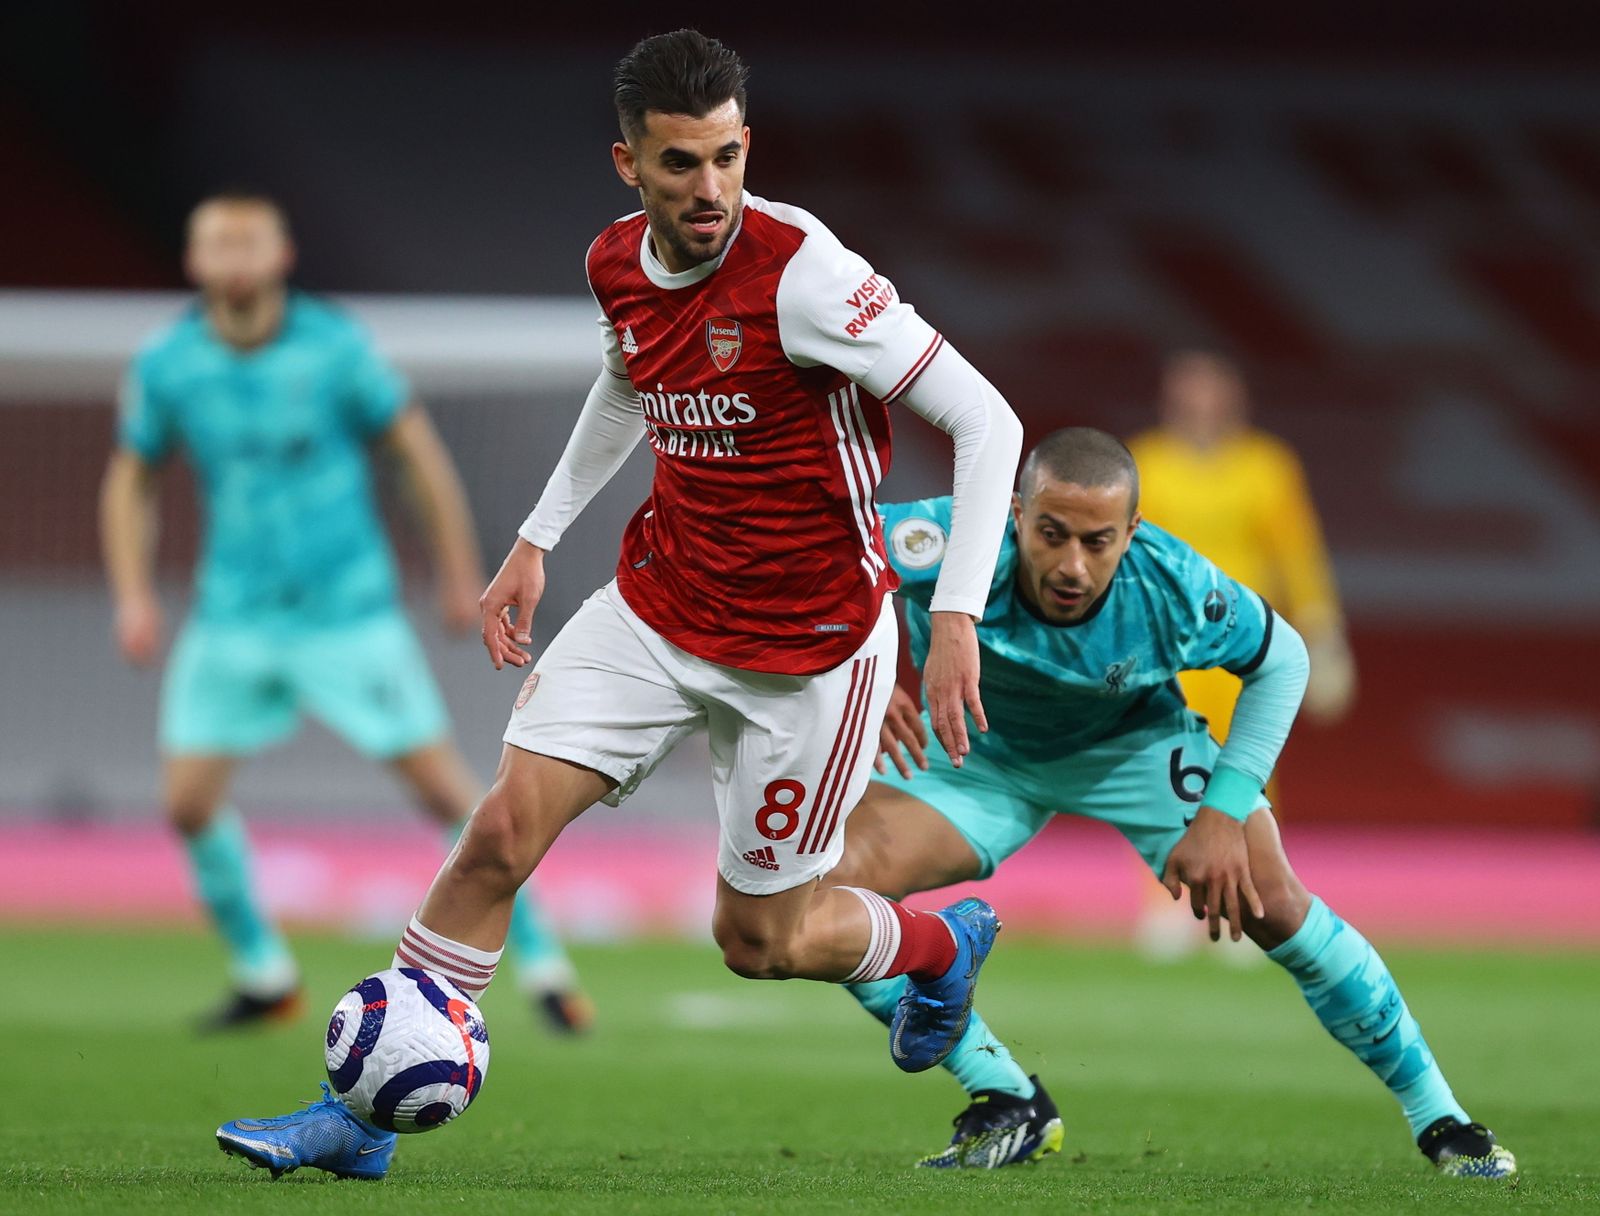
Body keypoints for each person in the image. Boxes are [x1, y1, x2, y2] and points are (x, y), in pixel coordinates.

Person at [214, 29, 1024, 1180]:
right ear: (627, 162)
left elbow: (987, 419)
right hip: (656, 606)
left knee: (762, 940)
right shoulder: (614, 263)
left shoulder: (805, 275)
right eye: (680, 162)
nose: (709, 188)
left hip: (805, 652)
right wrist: (535, 538)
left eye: (727, 158)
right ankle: (360, 1120)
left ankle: (939, 948)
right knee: (498, 833)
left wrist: (954, 617)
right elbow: (627, 380)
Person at [827, 427, 1514, 1179]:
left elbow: (1283, 659)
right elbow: (822, 559)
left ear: (1132, 534)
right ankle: (1006, 1097)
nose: (1072, 565)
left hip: (1132, 747)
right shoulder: (950, 537)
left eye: (1098, 542)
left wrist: (1223, 814)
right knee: (830, 893)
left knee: (1275, 903)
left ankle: (1443, 1119)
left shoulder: (1172, 585)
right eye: (1052, 534)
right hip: (976, 748)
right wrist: (859, 671)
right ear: (1015, 513)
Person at [100, 191, 592, 1034]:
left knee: (446, 791)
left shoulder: (335, 348)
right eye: (218, 242)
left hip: (348, 611)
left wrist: (456, 571)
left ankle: (545, 964)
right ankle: (264, 972)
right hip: (233, 616)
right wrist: (133, 593)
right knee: (185, 803)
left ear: (282, 256)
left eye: (250, 240)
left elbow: (415, 453)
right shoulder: (169, 363)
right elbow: (131, 477)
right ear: (193, 261)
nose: (234, 256)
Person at [1127, 351, 1357, 959]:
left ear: (1234, 402)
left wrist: (1323, 631)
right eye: (1189, 396)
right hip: (1170, 641)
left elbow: (1298, 552)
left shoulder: (1267, 467)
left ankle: (1251, 898)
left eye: (1212, 396)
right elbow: (1126, 551)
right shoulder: (1146, 461)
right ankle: (1168, 900)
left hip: (1248, 641)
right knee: (1163, 766)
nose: (1201, 408)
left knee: (1250, 770)